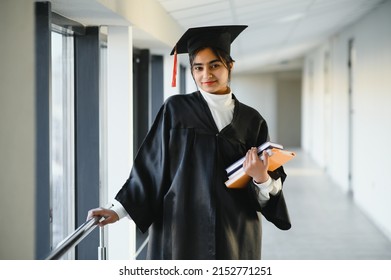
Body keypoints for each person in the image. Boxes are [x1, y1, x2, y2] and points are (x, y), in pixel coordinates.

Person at [88, 25, 291, 260]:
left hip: (234, 230)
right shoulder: (175, 110)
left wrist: (261, 177)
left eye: (214, 65)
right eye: (198, 68)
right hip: (180, 227)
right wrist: (117, 211)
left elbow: (270, 187)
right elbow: (151, 167)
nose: (206, 75)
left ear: (230, 66)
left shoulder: (251, 120)